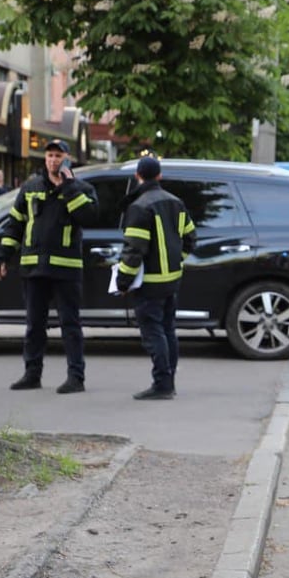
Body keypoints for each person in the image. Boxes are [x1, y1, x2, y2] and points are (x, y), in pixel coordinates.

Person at [0, 139, 98, 394]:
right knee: (34, 325)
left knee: (70, 324)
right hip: (33, 268)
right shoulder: (30, 188)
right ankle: (32, 374)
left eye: (58, 155)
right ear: (45, 159)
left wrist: (69, 187)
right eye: (50, 155)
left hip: (66, 269)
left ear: (67, 159)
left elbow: (88, 217)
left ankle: (76, 377)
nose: (53, 160)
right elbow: (15, 224)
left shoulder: (81, 188)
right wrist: (3, 255)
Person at [115, 156, 197, 400]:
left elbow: (134, 250)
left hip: (149, 283)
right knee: (167, 330)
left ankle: (161, 385)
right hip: (172, 279)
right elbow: (191, 239)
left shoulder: (139, 207)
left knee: (153, 333)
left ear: (137, 176)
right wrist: (175, 260)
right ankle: (168, 382)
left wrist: (122, 281)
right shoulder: (176, 203)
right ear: (159, 176)